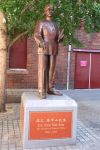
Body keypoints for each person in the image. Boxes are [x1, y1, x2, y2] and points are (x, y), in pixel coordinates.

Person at [34, 4, 64, 98]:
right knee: (43, 69)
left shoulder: (56, 24)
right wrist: (41, 41)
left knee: (52, 69)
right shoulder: (41, 22)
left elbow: (58, 37)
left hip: (54, 47)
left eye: (52, 9)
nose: (50, 10)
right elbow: (36, 34)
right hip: (44, 47)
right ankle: (41, 90)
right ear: (45, 11)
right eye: (48, 9)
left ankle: (50, 88)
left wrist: (60, 38)